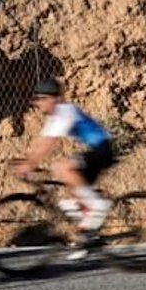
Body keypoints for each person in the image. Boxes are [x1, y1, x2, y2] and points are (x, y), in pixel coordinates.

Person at [16, 78, 114, 258]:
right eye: (37, 99)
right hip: (96, 150)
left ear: (55, 99)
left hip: (103, 148)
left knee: (63, 167)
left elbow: (49, 143)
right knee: (76, 197)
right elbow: (41, 142)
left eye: (42, 98)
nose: (38, 103)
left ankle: (95, 206)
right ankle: (87, 240)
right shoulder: (54, 117)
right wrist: (26, 159)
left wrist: (30, 164)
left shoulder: (65, 111)